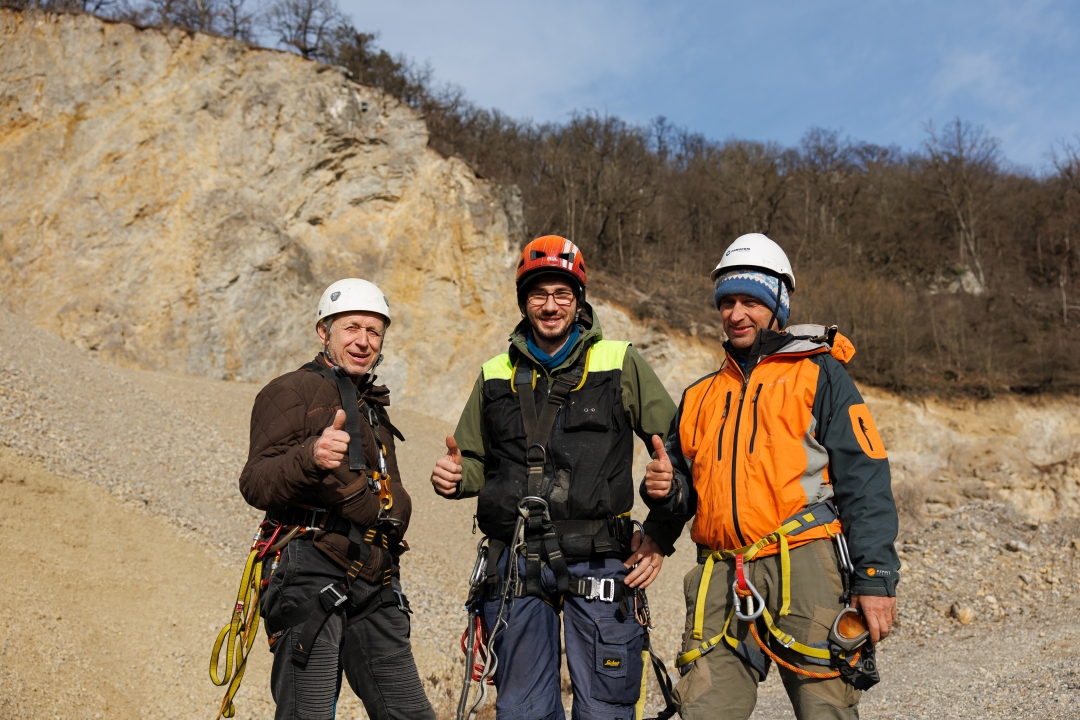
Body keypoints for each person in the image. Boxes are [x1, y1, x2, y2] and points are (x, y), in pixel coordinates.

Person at [642, 233, 899, 720]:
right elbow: (681, 487)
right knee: (702, 711)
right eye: (727, 302)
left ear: (777, 304)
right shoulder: (699, 395)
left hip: (805, 568)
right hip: (719, 574)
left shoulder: (822, 374)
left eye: (750, 301)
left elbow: (865, 478)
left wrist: (875, 578)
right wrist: (663, 493)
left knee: (826, 710)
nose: (736, 314)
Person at [431, 235, 678, 720]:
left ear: (579, 300)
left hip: (600, 561)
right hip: (516, 565)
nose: (550, 305)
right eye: (538, 294)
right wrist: (455, 478)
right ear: (524, 302)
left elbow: (678, 454)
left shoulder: (619, 362)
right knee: (521, 710)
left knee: (606, 709)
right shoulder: (494, 374)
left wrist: (661, 533)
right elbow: (475, 462)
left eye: (562, 294)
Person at [239, 278, 435, 720]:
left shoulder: (371, 407)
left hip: (374, 578)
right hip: (310, 572)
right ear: (323, 330)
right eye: (352, 328)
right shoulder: (291, 391)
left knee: (410, 714)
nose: (363, 341)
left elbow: (388, 490)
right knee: (308, 713)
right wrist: (310, 456)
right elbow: (255, 481)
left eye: (374, 332)